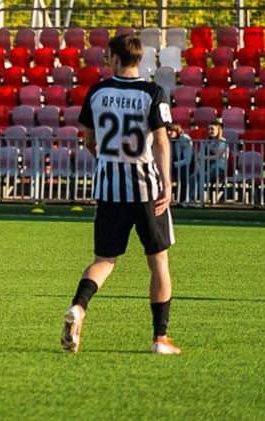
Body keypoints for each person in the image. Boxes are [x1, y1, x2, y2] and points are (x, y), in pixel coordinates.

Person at [61, 32, 182, 355]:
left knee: (104, 260)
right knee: (159, 262)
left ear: (114, 58)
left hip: (109, 190)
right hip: (146, 190)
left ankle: (79, 307)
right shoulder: (152, 92)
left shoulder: (97, 92)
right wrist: (167, 183)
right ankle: (160, 339)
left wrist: (106, 161)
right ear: (140, 58)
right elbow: (161, 141)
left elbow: (89, 141)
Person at [168, 123, 196, 204]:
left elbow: (187, 160)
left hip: (184, 164)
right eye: (168, 130)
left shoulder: (185, 139)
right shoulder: (165, 138)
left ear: (177, 130)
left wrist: (174, 164)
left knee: (184, 171)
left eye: (172, 130)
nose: (169, 133)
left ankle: (183, 200)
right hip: (170, 163)